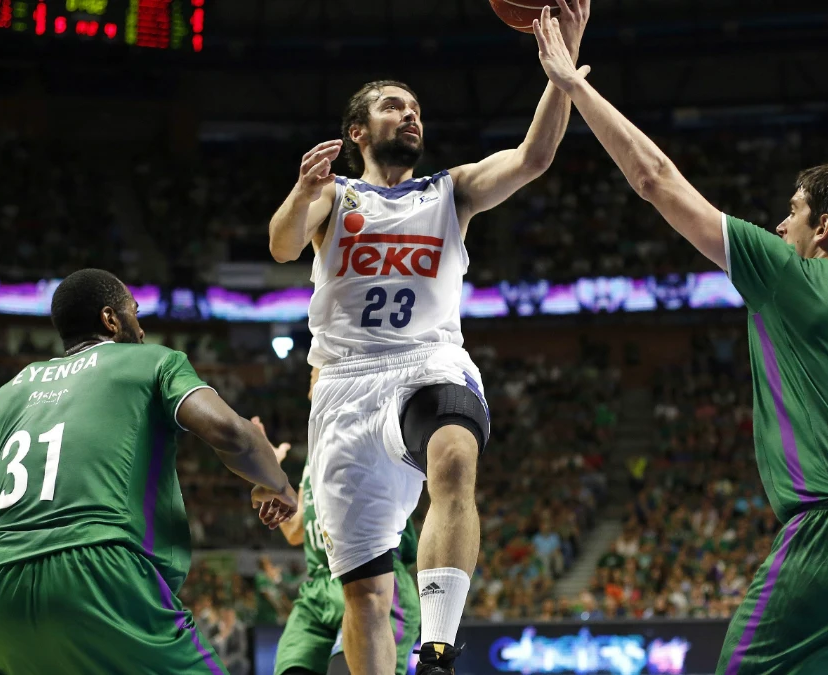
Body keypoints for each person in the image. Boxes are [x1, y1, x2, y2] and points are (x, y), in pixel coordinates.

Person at [532, 16, 828, 675]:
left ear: (821, 227)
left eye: (792, 210)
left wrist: (572, 87)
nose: (779, 221)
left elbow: (655, 179)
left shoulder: (792, 274)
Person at [267, 2, 590, 672]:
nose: (409, 113)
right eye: (393, 105)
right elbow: (280, 244)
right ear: (357, 129)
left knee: (452, 453)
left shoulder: (452, 192)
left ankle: (438, 645)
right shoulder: (335, 199)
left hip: (426, 361)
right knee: (366, 595)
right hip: (344, 389)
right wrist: (302, 192)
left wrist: (561, 76)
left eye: (415, 107)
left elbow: (535, 157)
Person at [0, 268, 299, 675]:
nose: (141, 329)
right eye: (135, 313)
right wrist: (276, 482)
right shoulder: (152, 360)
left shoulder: (8, 394)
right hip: (103, 573)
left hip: (1, 594)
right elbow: (231, 433)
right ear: (111, 319)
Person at [266, 369, 420, 675]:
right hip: (318, 591)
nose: (312, 371)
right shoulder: (316, 450)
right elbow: (296, 531)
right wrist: (268, 472)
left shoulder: (367, 429)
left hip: (371, 576)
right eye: (311, 370)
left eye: (319, 366)